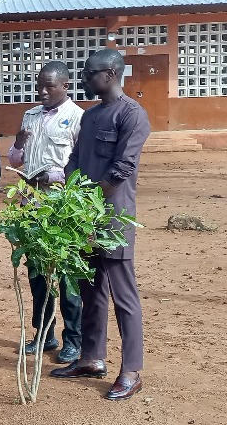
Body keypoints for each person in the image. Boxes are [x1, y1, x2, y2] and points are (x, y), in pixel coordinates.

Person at [49, 49, 151, 401]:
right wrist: (70, 190)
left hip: (113, 217)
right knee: (90, 289)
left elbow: (123, 168)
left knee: (124, 296)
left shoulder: (133, 115)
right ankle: (91, 358)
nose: (84, 79)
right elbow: (75, 158)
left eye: (89, 73)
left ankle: (131, 371)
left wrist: (90, 197)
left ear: (109, 74)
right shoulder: (90, 118)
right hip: (82, 217)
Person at [8, 61, 85, 364]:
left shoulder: (78, 118)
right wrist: (17, 143)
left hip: (63, 209)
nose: (41, 91)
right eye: (39, 85)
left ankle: (73, 340)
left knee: (67, 276)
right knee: (38, 273)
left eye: (48, 86)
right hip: (33, 206)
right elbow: (16, 160)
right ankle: (44, 333)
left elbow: (80, 167)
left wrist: (50, 177)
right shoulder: (30, 116)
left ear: (65, 86)